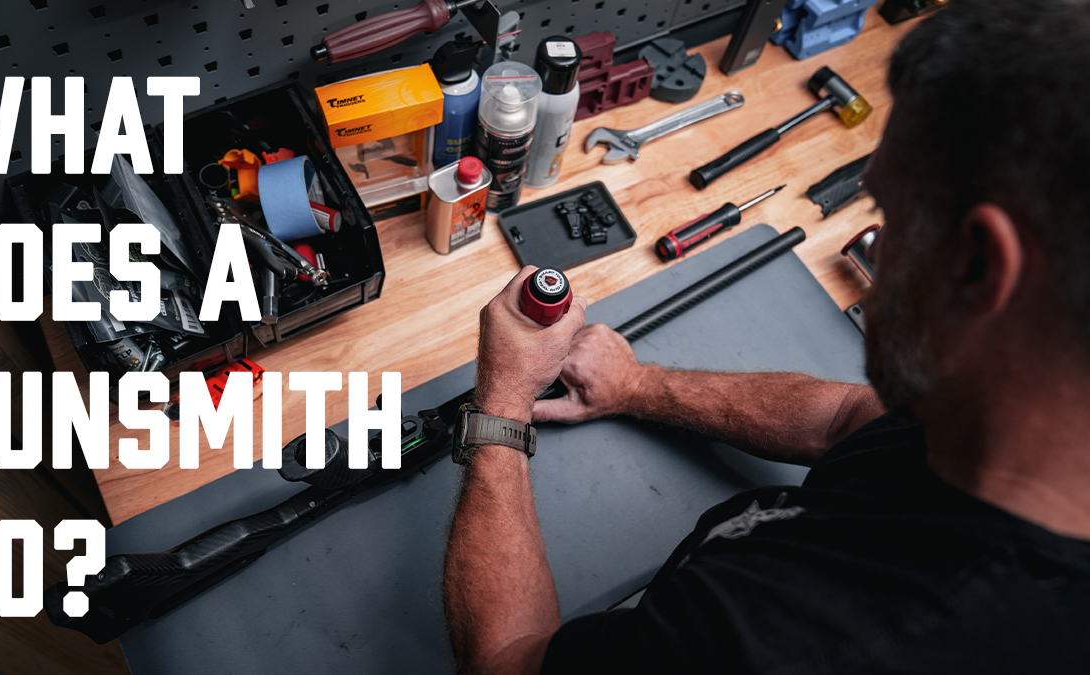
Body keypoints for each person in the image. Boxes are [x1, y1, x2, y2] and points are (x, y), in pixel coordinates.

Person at [443, 3, 1090, 673]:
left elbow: (504, 663)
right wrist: (637, 385)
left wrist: (502, 404)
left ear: (980, 267)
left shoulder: (780, 639)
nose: (873, 245)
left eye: (889, 214)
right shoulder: (1015, 408)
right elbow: (852, 421)